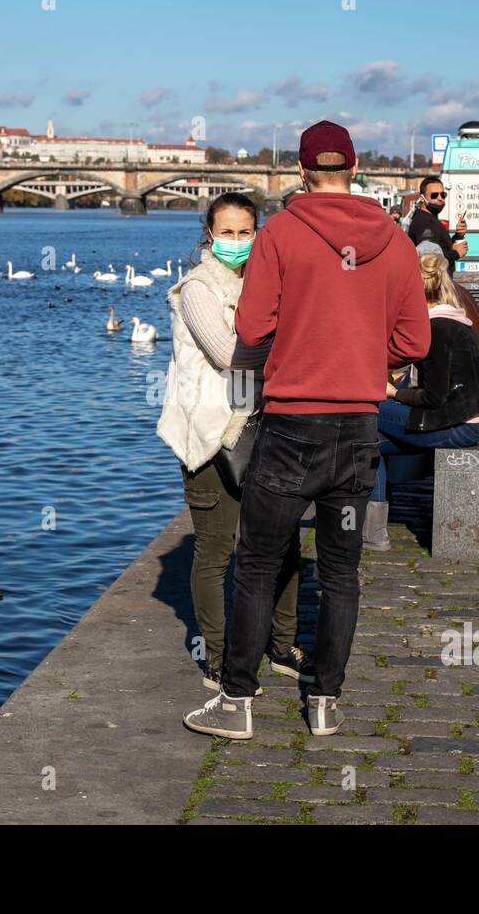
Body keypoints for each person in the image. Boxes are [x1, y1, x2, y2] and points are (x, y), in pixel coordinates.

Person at [183, 121, 430, 741]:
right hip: (357, 428)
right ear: (354, 169)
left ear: (301, 171)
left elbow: (253, 330)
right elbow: (416, 341)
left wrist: (303, 343)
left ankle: (238, 700)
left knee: (258, 564)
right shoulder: (396, 241)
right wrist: (363, 358)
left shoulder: (282, 234)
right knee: (341, 571)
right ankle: (324, 700)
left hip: (292, 425)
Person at [155, 192, 306, 693]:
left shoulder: (265, 283)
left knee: (283, 543)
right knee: (217, 549)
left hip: (262, 424)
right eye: (228, 233)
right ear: (209, 234)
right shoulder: (197, 288)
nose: (237, 242)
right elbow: (230, 354)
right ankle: (217, 660)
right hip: (208, 435)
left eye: (246, 233)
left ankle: (282, 647)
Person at [361, 250, 479, 550]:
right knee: (370, 441)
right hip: (467, 419)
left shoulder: (434, 330)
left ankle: (373, 531)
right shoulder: (456, 320)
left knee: (368, 410)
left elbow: (434, 397)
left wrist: (393, 393)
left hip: (454, 425)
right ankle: (372, 533)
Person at [406, 175, 467, 271]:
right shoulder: (424, 223)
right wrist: (456, 253)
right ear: (422, 198)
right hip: (434, 284)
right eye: (434, 195)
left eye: (443, 195)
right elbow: (429, 260)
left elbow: (440, 249)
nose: (440, 198)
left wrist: (458, 236)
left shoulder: (431, 219)